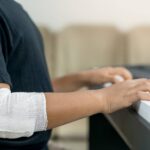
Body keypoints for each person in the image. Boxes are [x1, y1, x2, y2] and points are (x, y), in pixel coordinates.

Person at [0, 0, 150, 150]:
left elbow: (25, 90)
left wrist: (84, 78)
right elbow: (4, 115)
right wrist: (105, 98)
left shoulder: (11, 7)